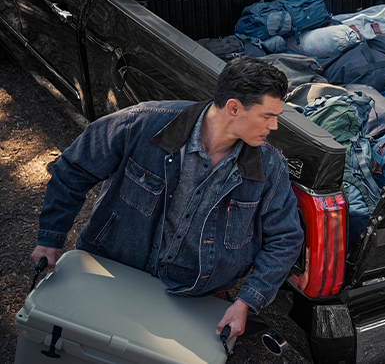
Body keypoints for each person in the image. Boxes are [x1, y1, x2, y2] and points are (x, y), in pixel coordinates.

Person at [30, 56, 304, 342]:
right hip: (113, 271)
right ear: (234, 107)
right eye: (267, 116)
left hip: (194, 295)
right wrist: (50, 238)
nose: (273, 126)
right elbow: (74, 167)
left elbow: (285, 239)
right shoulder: (142, 123)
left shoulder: (270, 168)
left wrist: (246, 302)